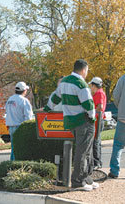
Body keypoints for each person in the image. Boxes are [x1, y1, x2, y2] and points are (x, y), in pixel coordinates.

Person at [44, 59, 98, 191]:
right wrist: (92, 117)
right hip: (83, 121)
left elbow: (55, 98)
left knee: (84, 151)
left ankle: (86, 178)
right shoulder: (81, 84)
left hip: (71, 121)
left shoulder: (64, 82)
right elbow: (88, 105)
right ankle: (78, 181)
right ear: (84, 70)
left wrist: (46, 109)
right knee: (83, 152)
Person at [5, 81, 33, 161]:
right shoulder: (24, 101)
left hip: (11, 127)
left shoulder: (10, 99)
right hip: (20, 127)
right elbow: (28, 117)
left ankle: (11, 165)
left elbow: (6, 112)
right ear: (24, 90)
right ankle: (16, 165)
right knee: (20, 149)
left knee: (14, 148)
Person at [88, 77, 106, 170]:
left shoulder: (99, 93)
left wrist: (91, 112)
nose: (91, 87)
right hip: (98, 120)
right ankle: (97, 162)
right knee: (96, 141)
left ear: (94, 85)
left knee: (95, 141)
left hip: (98, 120)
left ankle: (97, 162)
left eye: (91, 85)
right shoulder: (99, 93)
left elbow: (100, 107)